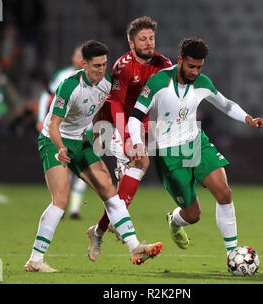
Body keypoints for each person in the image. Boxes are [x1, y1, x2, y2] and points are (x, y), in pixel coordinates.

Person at [23, 40, 163, 272]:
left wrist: (100, 137)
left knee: (109, 189)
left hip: (79, 140)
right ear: (83, 64)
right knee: (61, 200)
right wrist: (60, 148)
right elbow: (55, 125)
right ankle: (35, 260)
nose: (101, 70)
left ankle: (135, 246)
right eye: (96, 65)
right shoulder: (69, 86)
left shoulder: (106, 85)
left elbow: (99, 114)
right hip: (53, 140)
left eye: (104, 64)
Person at [126, 38, 263, 256]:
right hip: (169, 154)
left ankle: (233, 255)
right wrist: (137, 143)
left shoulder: (202, 82)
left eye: (199, 67)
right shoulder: (158, 83)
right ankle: (174, 221)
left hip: (195, 142)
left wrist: (248, 119)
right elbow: (135, 118)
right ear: (180, 61)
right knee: (193, 215)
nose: (195, 72)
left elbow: (225, 104)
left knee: (224, 193)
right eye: (191, 66)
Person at [86, 16, 172, 262]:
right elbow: (116, 105)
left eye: (151, 38)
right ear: (131, 43)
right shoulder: (123, 67)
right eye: (143, 39)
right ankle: (133, 246)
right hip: (120, 126)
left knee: (121, 194)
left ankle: (99, 231)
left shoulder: (163, 64)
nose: (148, 43)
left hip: (147, 128)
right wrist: (126, 138)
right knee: (141, 164)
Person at [37, 43, 88, 220]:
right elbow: (46, 95)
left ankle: (74, 209)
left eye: (81, 55)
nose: (77, 58)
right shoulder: (63, 76)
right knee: (63, 167)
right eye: (76, 55)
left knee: (82, 168)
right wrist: (41, 119)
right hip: (61, 129)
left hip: (84, 129)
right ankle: (63, 203)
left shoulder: (96, 79)